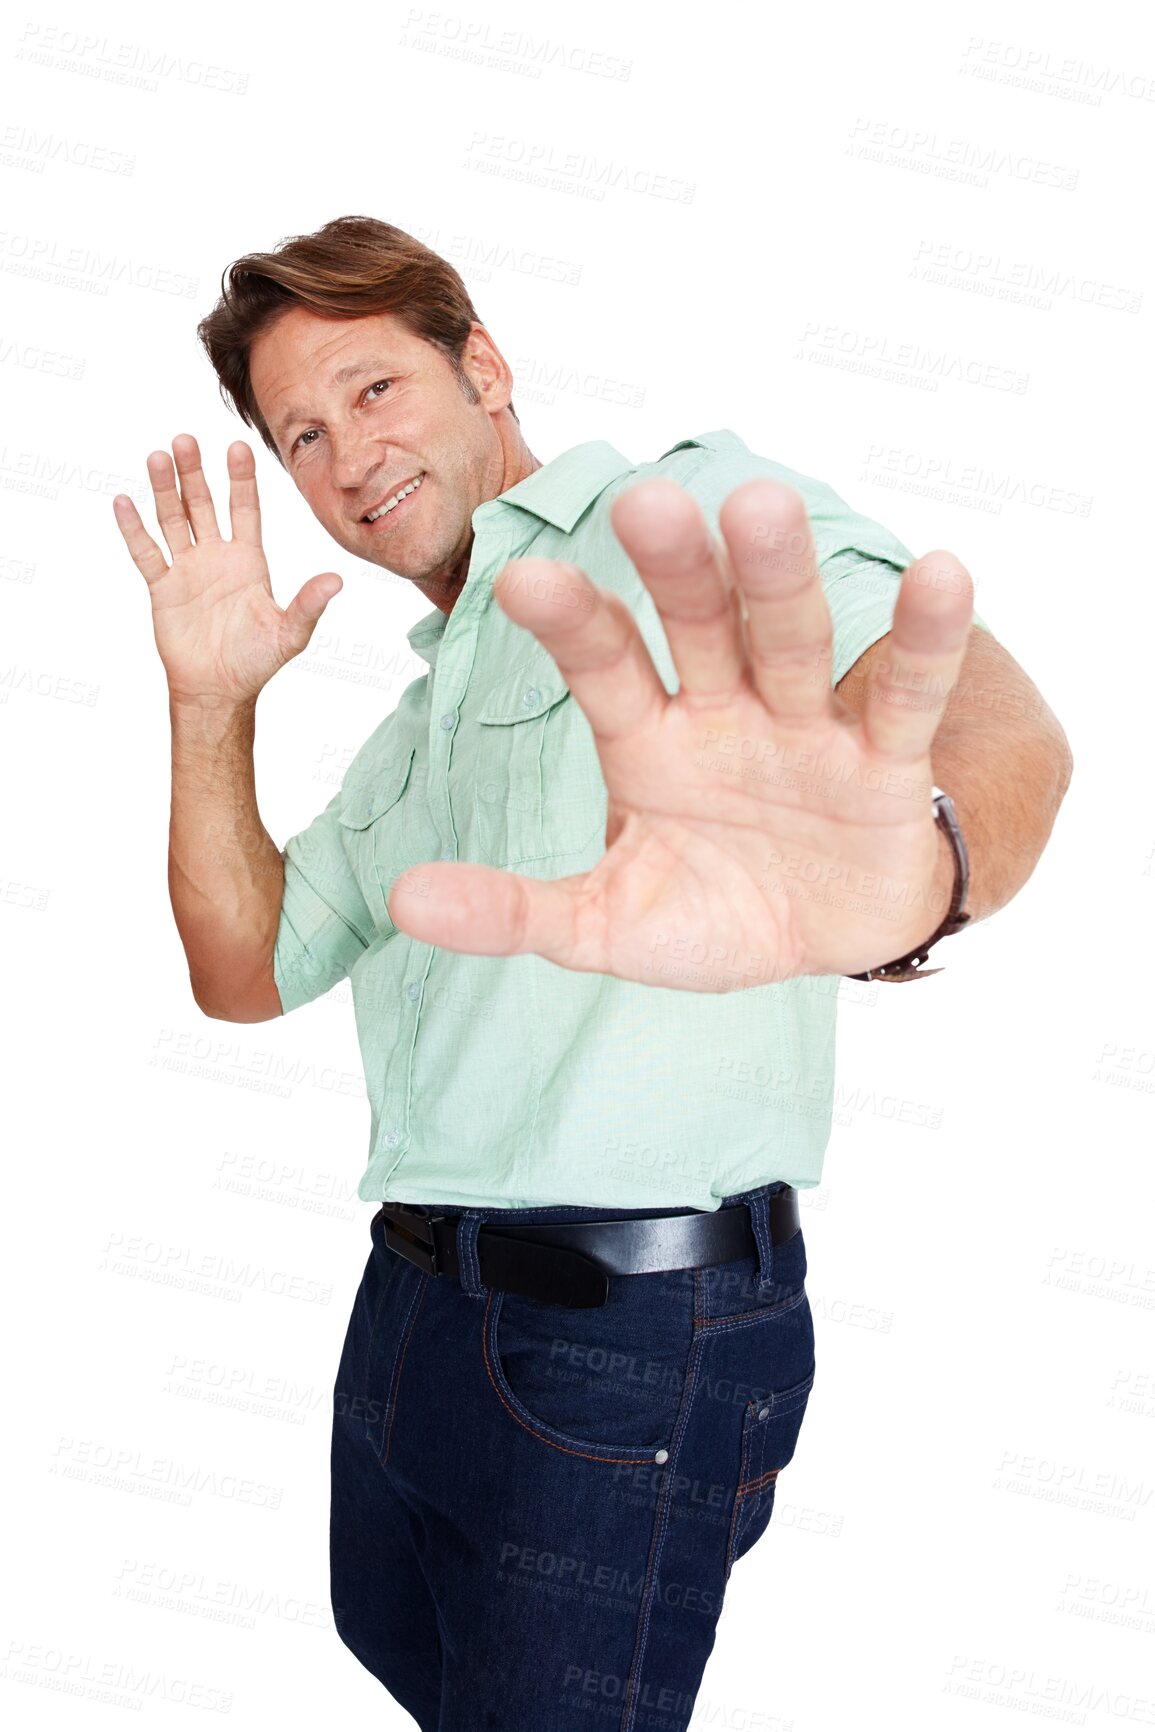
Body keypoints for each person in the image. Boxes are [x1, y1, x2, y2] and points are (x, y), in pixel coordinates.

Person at [113, 215, 1073, 1731]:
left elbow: (1002, 726)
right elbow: (239, 969)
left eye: (373, 389)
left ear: (484, 365)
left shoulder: (679, 514)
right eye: (300, 432)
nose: (344, 454)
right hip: (418, 1317)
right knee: (413, 1665)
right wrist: (207, 705)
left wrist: (913, 873)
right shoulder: (417, 727)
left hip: (626, 1342)